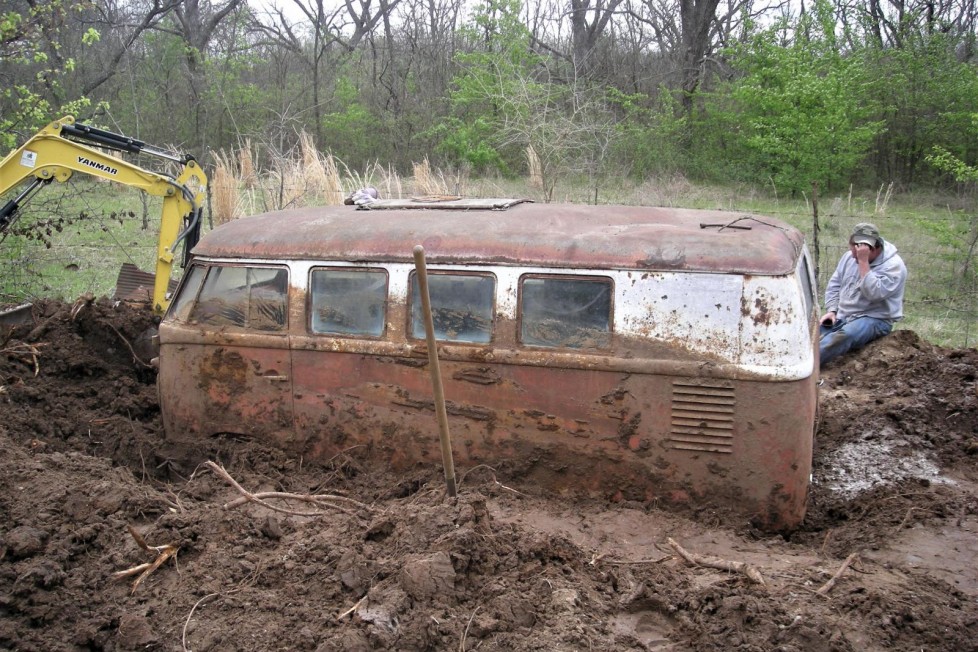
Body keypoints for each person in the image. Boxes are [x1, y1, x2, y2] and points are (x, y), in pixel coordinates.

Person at [819, 222, 907, 366]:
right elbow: (835, 284)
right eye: (853, 249)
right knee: (812, 334)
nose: (854, 255)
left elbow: (874, 294)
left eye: (860, 251)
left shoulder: (894, 267)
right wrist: (832, 310)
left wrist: (863, 263)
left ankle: (807, 368)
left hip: (875, 319)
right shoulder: (848, 257)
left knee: (843, 336)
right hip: (844, 315)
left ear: (874, 248)